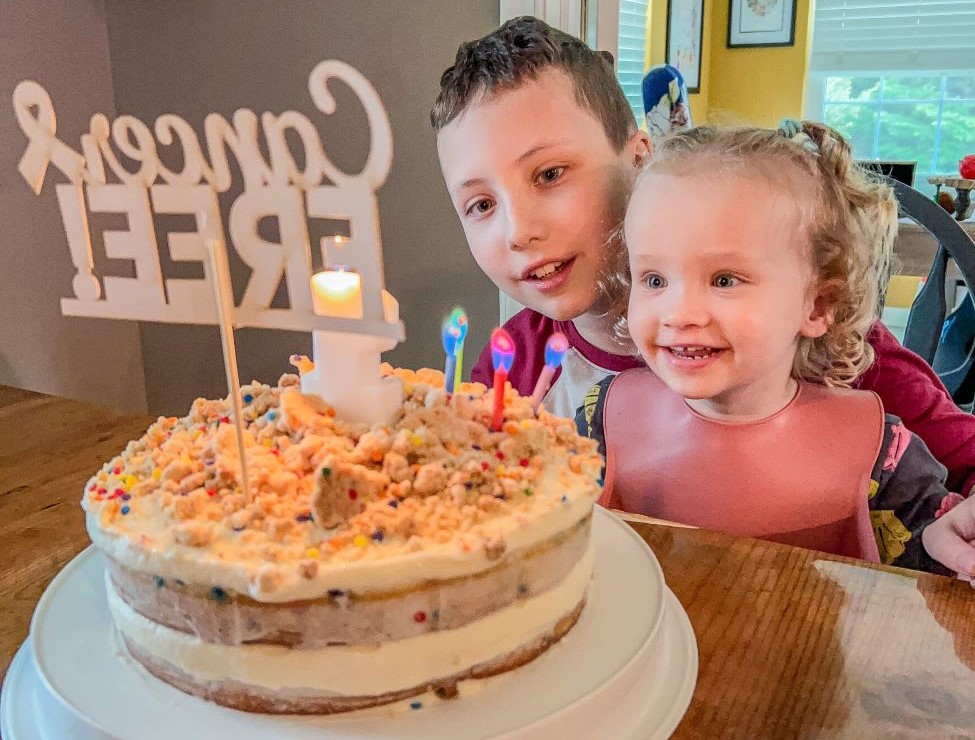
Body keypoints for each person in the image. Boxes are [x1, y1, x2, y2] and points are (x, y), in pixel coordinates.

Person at [431, 15, 975, 500]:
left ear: (639, 157)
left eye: (550, 175)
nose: (519, 230)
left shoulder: (821, 345)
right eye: (480, 204)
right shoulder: (515, 367)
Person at [574, 121, 975, 574]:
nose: (678, 312)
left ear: (818, 305)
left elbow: (926, 565)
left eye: (724, 280)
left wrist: (945, 545)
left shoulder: (881, 455)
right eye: (654, 279)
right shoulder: (601, 416)